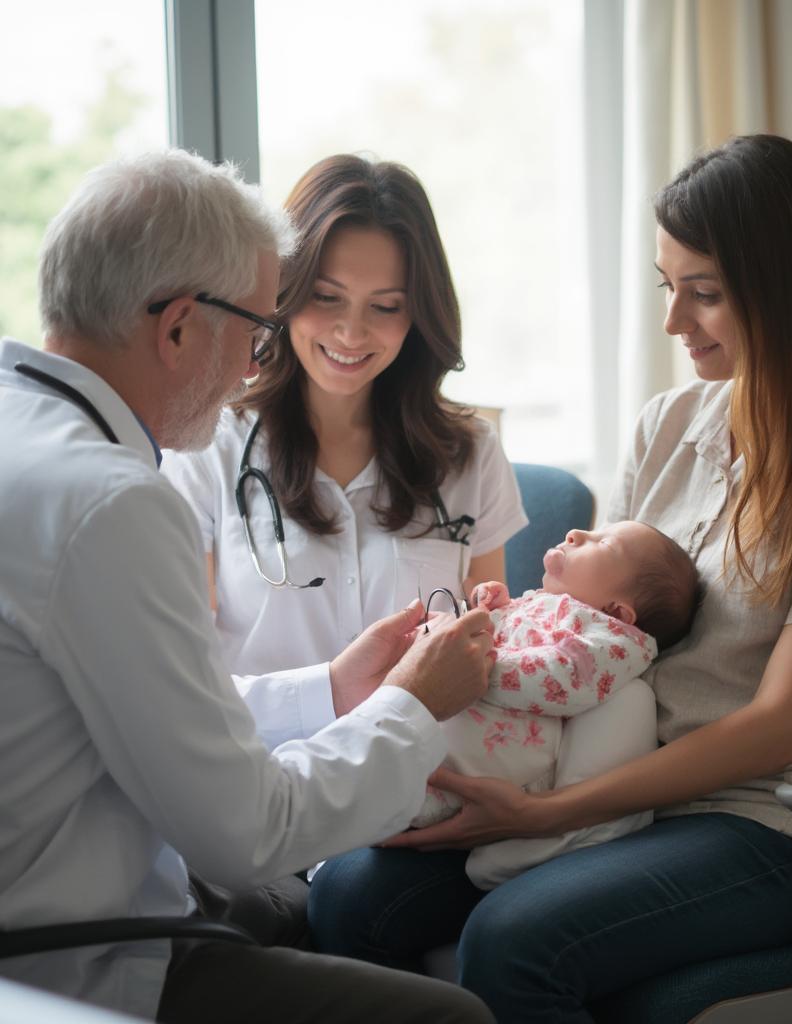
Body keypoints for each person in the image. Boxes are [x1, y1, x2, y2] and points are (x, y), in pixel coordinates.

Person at [301, 134, 792, 1022]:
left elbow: (773, 731)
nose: (674, 324)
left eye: (706, 294)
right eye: (669, 288)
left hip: (774, 823)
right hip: (622, 798)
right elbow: (606, 632)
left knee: (516, 941)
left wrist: (548, 814)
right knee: (348, 893)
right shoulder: (670, 425)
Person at [0, 149, 497, 1024]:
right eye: (259, 328)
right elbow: (247, 833)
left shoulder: (27, 433)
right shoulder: (116, 502)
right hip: (69, 954)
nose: (251, 365)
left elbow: (157, 707)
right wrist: (410, 706)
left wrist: (332, 689)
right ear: (182, 326)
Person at [161, 154, 526, 677]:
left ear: (418, 313)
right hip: (274, 755)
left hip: (431, 753)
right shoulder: (207, 446)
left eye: (385, 307)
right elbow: (181, 670)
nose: (351, 334)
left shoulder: (471, 452)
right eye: (326, 297)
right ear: (282, 292)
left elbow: (491, 641)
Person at [404, 521, 698, 890]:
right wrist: (499, 610)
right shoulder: (543, 603)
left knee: (634, 699)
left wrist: (473, 667)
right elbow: (516, 638)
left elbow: (559, 677)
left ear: (620, 613)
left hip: (498, 756)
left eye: (603, 544)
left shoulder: (614, 639)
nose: (575, 533)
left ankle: (569, 839)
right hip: (441, 729)